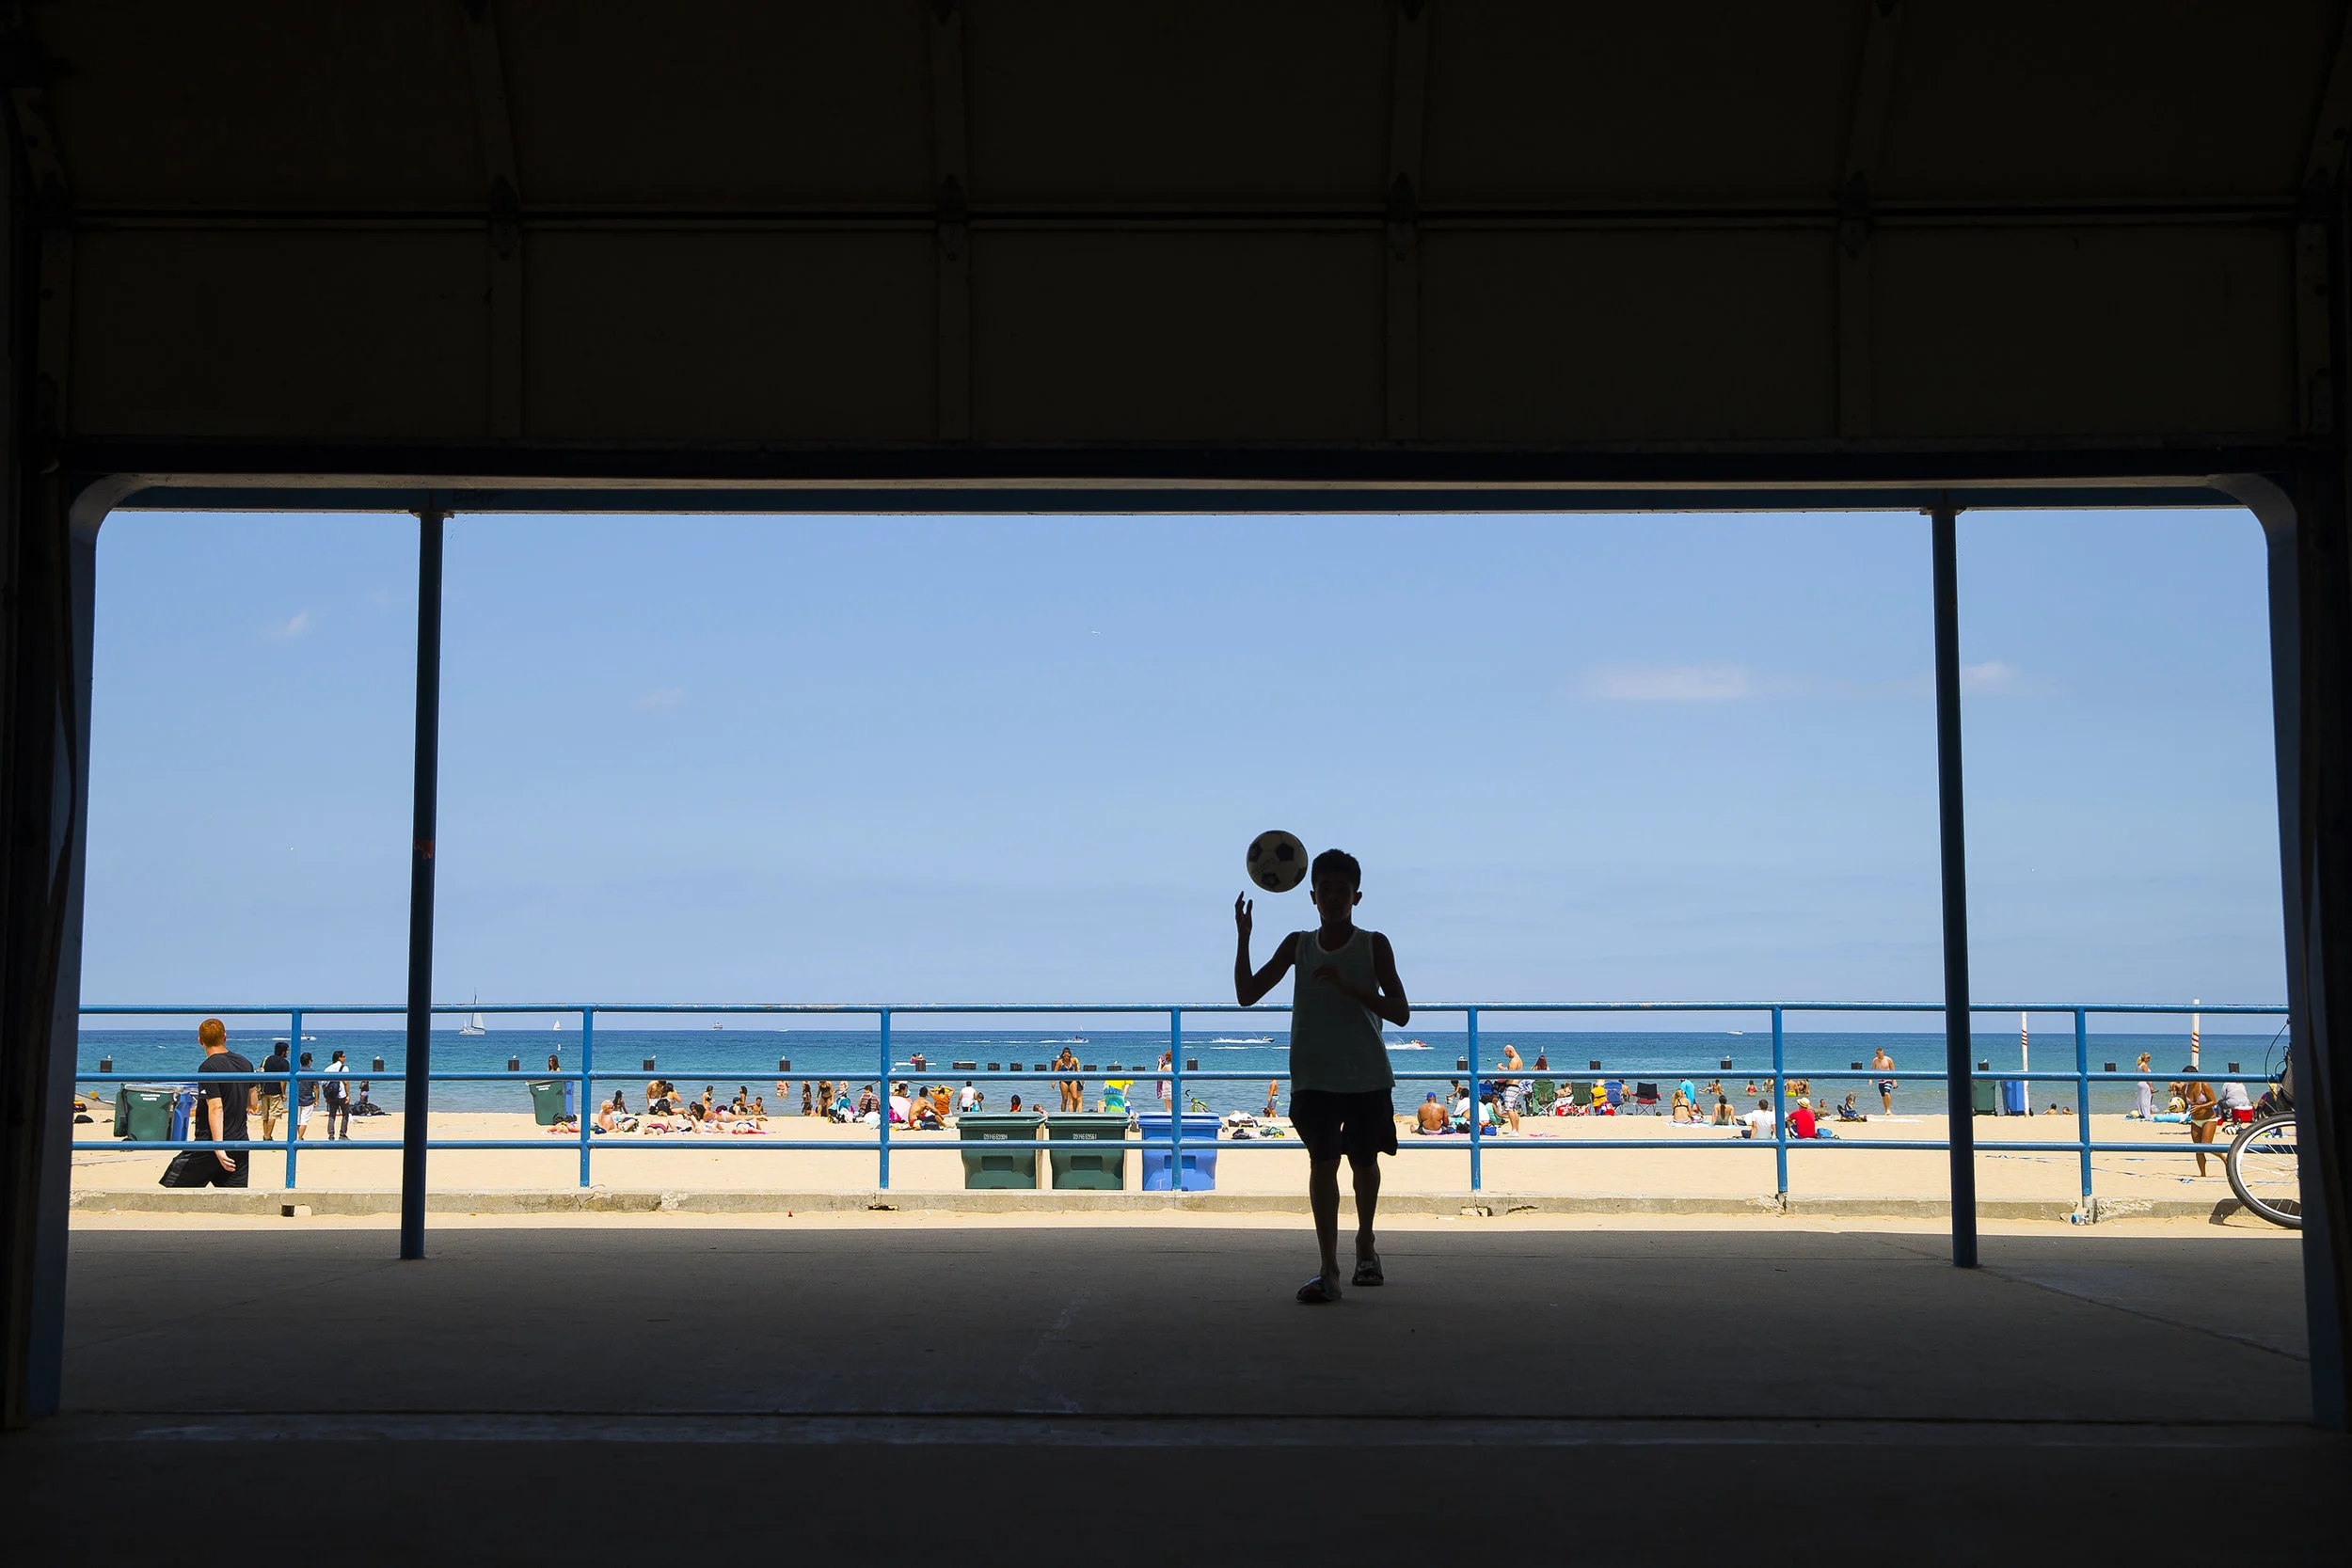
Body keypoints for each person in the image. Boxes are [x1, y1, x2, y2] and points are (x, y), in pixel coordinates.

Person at [1235, 848, 1409, 1305]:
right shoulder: (1298, 944)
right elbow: (1247, 994)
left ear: (1357, 896)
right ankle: (1329, 1270)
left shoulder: (1375, 944)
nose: (1334, 897)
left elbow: (1401, 1012)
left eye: (1342, 890)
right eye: (1326, 889)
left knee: (1365, 1163)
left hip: (1367, 1074)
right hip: (1313, 1076)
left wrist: (1350, 987)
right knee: (1322, 1164)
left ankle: (1366, 1245)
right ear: (1312, 895)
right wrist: (1243, 937)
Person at [192, 1018, 256, 1186]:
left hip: (210, 1143)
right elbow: (254, 1103)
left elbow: (216, 1107)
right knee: (235, 1200)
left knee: (174, 1193)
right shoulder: (245, 1063)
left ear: (200, 1041)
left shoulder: (207, 1067)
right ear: (225, 1037)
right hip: (239, 1141)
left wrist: (218, 1147)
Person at [2182, 1069, 2220, 1176]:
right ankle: (2203, 1174)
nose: (2186, 1079)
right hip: (2195, 1120)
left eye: (2188, 1076)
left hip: (2209, 1119)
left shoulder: (2203, 1085)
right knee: (2198, 1148)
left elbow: (2214, 1101)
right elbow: (2185, 1105)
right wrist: (2178, 1107)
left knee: (2206, 1145)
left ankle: (2224, 1157)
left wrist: (2200, 1107)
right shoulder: (2184, 1089)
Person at [258, 1038, 291, 1143]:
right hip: (275, 1092)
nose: (288, 1052)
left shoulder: (267, 1059)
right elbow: (283, 1080)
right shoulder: (284, 1063)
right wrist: (283, 1093)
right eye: (287, 1050)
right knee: (273, 1114)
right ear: (283, 1051)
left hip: (264, 1090)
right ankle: (268, 1137)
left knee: (265, 1115)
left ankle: (265, 1135)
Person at [320, 1048, 355, 1140]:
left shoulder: (328, 1068)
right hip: (342, 1094)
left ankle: (331, 1135)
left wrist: (326, 1095)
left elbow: (323, 1084)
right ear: (339, 1058)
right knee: (345, 1114)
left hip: (332, 1095)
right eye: (343, 1056)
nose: (345, 1058)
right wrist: (348, 1095)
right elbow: (346, 1082)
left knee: (332, 1115)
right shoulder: (344, 1068)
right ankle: (342, 1134)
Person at [294, 1051, 318, 1139]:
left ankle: (300, 1137)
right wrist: (316, 1099)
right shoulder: (312, 1072)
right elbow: (315, 1087)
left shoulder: (297, 1071)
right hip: (308, 1099)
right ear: (309, 1061)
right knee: (304, 1120)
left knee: (298, 1120)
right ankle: (300, 1138)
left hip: (297, 1098)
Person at [1055, 1047, 1083, 1114]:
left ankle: (1074, 1113)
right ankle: (1063, 1114)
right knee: (1064, 1099)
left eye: (1068, 1056)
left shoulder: (1073, 1061)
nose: (1066, 1057)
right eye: (1065, 1056)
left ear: (1070, 1055)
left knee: (1075, 1097)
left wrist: (1080, 1080)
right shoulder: (1060, 1062)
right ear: (1063, 1055)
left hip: (1072, 1080)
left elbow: (1076, 1070)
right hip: (1064, 1081)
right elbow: (1055, 1072)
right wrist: (1053, 1082)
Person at [1872, 1046, 1898, 1115]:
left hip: (1888, 1078)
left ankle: (1889, 1109)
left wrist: (1894, 1081)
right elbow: (1872, 1070)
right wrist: (1870, 1080)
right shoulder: (1875, 1060)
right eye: (1879, 1054)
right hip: (1880, 1080)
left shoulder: (1888, 1059)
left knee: (1887, 1093)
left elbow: (1893, 1070)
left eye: (1881, 1054)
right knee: (1883, 1097)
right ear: (1877, 1054)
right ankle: (1886, 1110)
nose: (1880, 1055)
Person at [2134, 1052, 2154, 1118]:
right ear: (2145, 1058)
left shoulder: (2138, 1066)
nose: (2150, 1059)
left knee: (2140, 1100)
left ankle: (2141, 1113)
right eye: (2148, 1058)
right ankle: (2146, 1115)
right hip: (2145, 1084)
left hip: (2139, 1083)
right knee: (2146, 1100)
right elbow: (2147, 1077)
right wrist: (2151, 1086)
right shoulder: (2144, 1065)